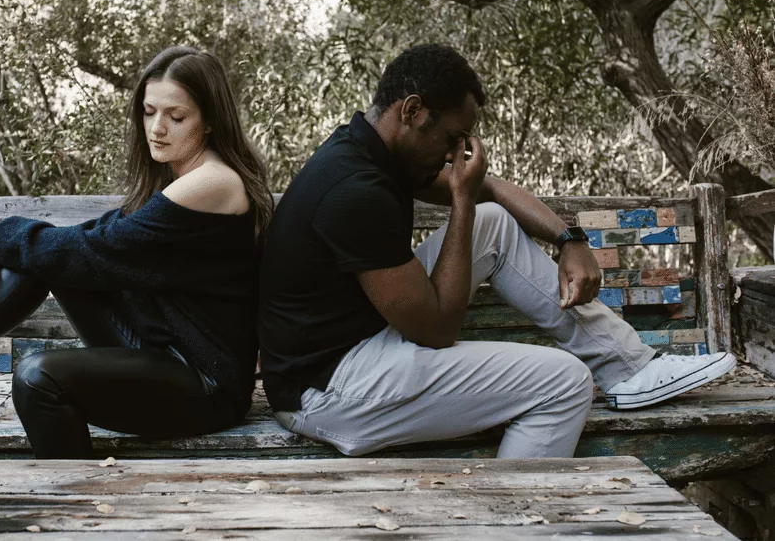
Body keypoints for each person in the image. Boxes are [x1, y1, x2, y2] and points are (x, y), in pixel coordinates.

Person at [258, 43, 736, 458]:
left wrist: (570, 240)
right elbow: (438, 329)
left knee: (492, 223)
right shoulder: (354, 189)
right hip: (328, 391)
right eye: (450, 139)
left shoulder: (375, 151)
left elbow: (490, 190)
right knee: (564, 384)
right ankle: (506, 521)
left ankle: (628, 369)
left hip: (357, 344)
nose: (453, 156)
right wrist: (462, 198)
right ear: (411, 111)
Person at [0, 46, 272, 459]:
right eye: (148, 111)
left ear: (211, 121)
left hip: (205, 383)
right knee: (47, 256)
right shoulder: (181, 177)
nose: (157, 128)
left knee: (36, 377)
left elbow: (99, 247)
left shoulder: (212, 182)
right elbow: (88, 238)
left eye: (176, 117)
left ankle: (75, 498)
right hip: (159, 352)